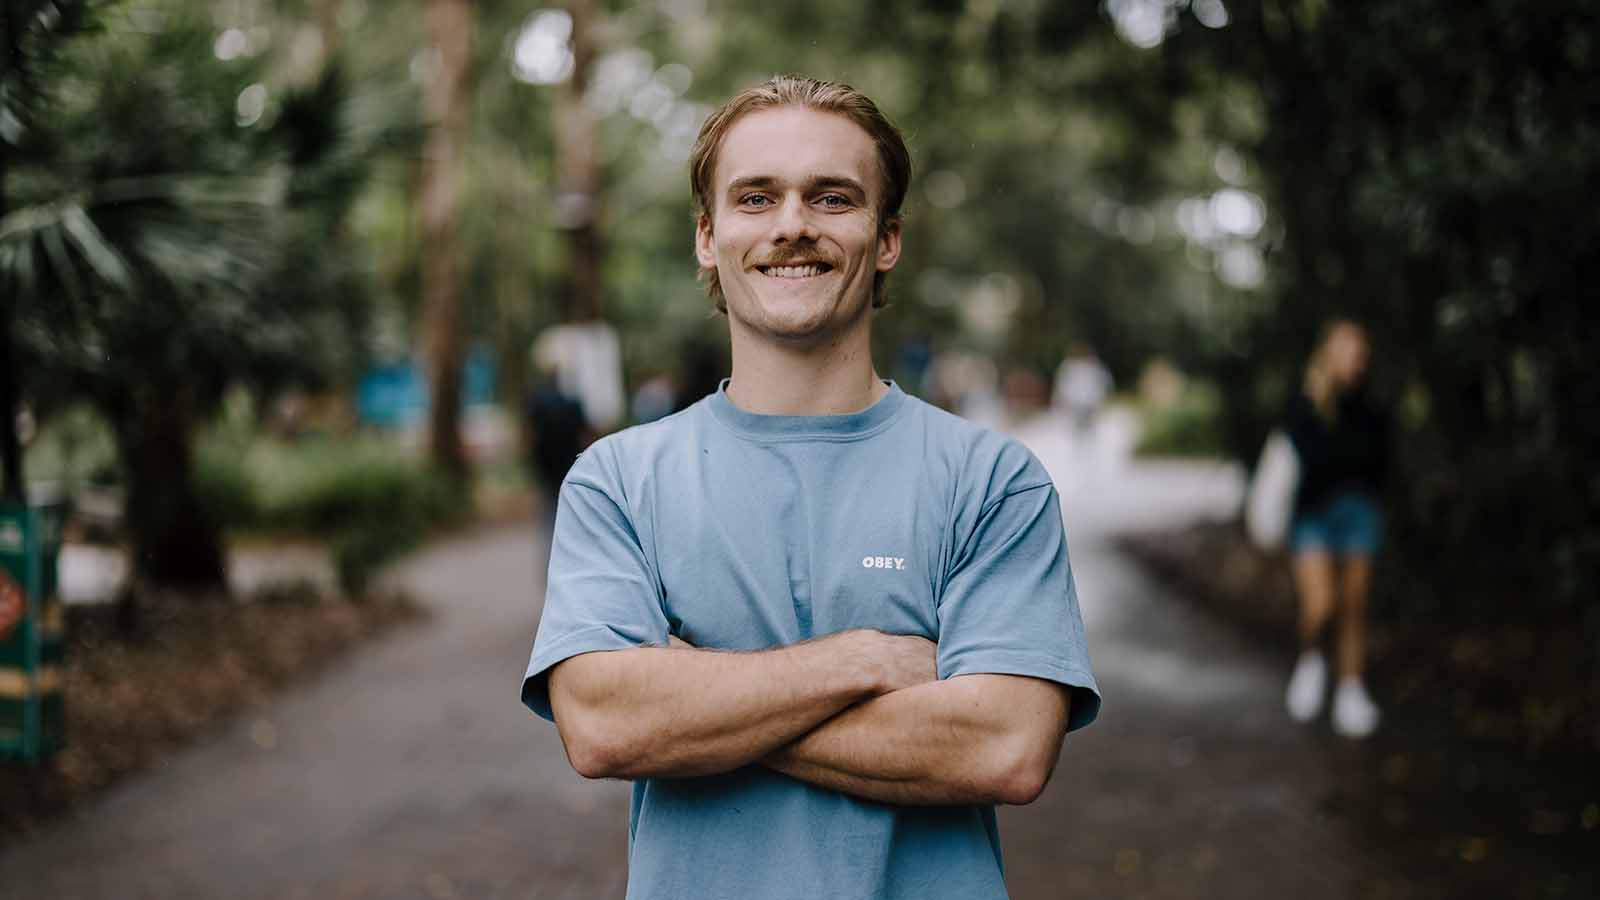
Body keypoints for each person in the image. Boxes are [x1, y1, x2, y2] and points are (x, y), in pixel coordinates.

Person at [520, 76, 1100, 900]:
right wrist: (863, 660)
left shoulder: (992, 482)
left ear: (887, 237)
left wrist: (693, 698)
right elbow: (605, 727)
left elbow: (1004, 748)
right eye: (757, 198)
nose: (793, 225)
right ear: (707, 236)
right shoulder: (617, 481)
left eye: (832, 198)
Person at [1281, 320, 1391, 738]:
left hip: (1359, 513)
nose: (1355, 361)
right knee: (1321, 604)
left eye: (1360, 353)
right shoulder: (1304, 403)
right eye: (1347, 351)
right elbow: (1302, 460)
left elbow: (1380, 463)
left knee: (1353, 606)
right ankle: (1311, 659)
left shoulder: (1372, 407)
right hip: (1313, 516)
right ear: (1328, 354)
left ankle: (1350, 688)